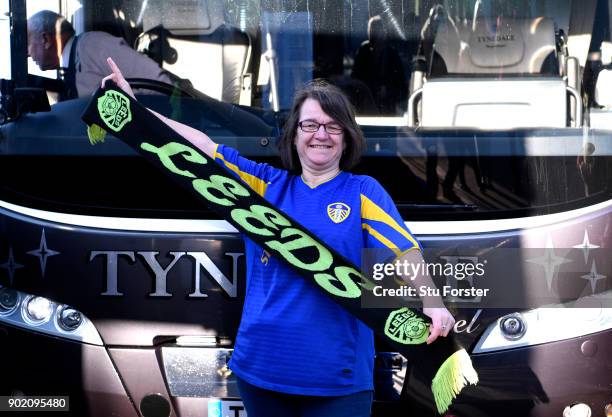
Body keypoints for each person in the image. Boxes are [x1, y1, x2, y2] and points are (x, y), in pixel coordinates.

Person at [103, 57, 455, 417]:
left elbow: (403, 251)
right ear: (295, 133)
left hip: (337, 381)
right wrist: (135, 109)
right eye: (311, 124)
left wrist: (432, 301)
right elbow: (200, 148)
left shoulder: (363, 191)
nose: (321, 134)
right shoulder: (264, 185)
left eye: (333, 127)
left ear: (347, 137)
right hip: (261, 373)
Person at [27, 10, 172, 99]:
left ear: (45, 39)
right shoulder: (69, 70)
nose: (27, 53)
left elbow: (161, 84)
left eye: (28, 43)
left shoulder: (92, 45)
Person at [351, 15, 408, 115]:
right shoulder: (363, 51)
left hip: (387, 109)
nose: (375, 34)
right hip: (367, 108)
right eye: (372, 30)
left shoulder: (391, 54)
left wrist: (388, 91)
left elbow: (401, 86)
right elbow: (355, 79)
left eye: (377, 30)